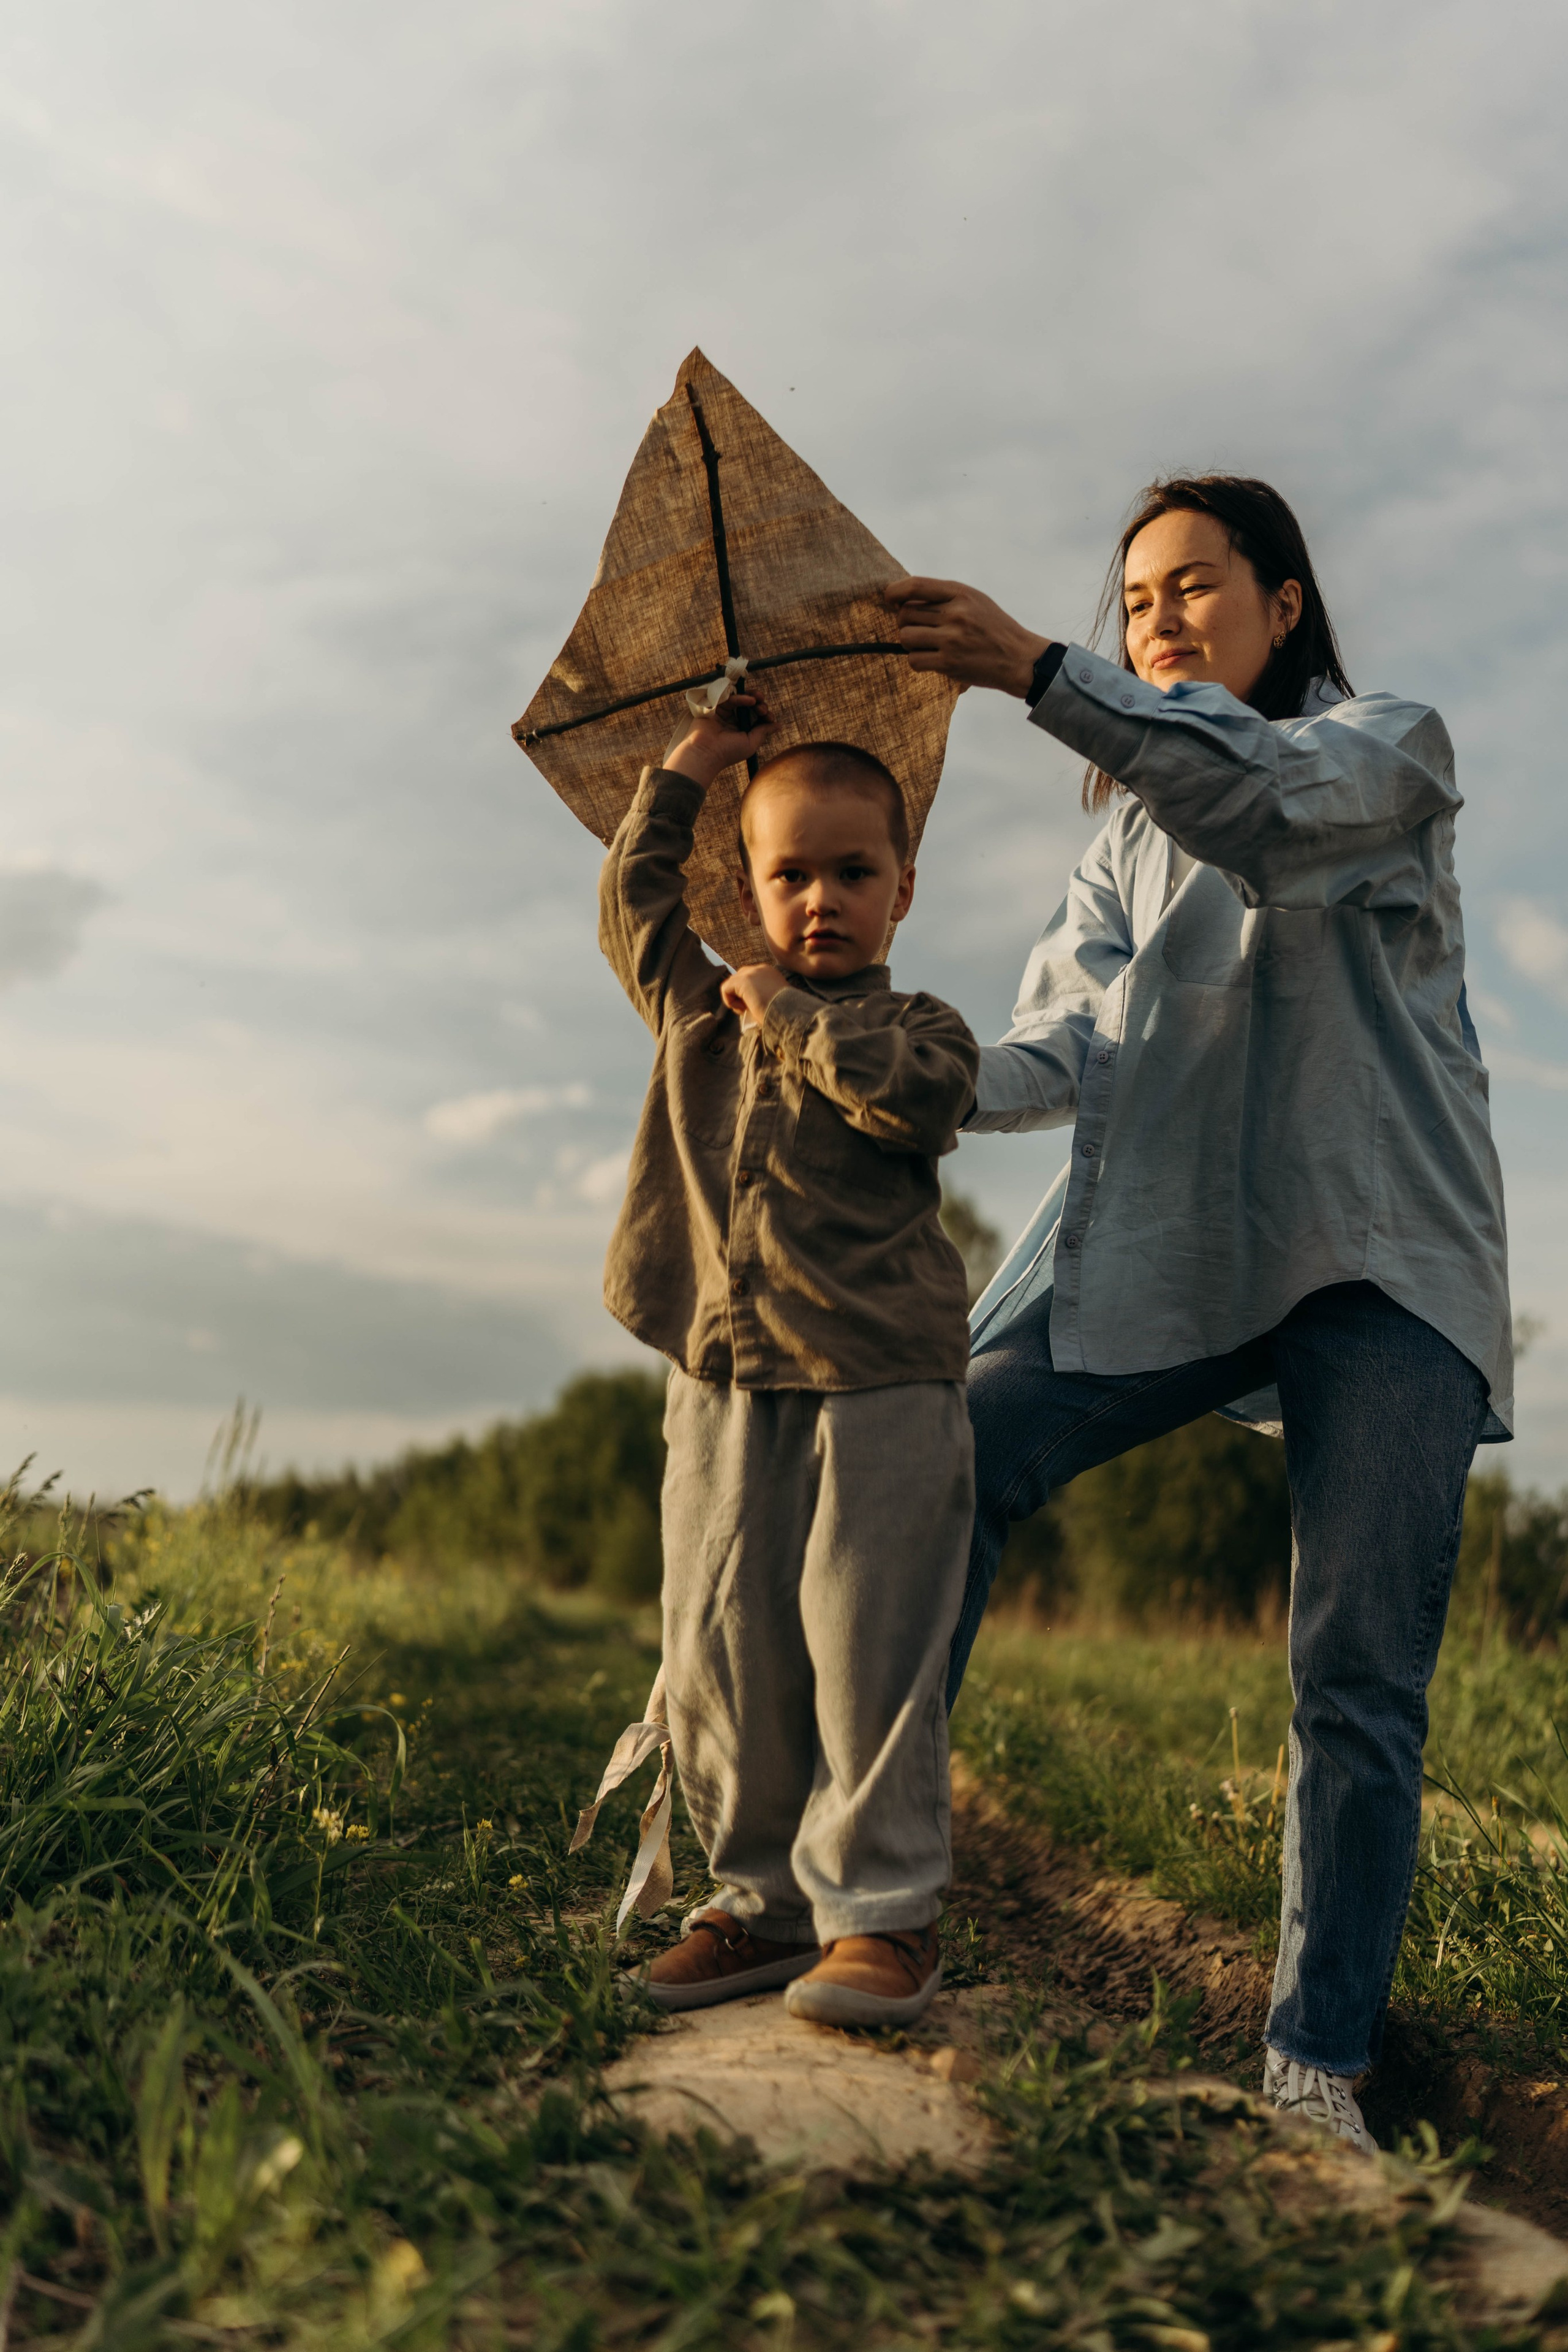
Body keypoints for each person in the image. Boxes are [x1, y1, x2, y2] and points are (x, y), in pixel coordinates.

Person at [884, 475, 1512, 2154]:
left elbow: (1273, 815)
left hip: (1382, 1261)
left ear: (1286, 603)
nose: (1156, 618)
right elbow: (1067, 1055)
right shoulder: (1119, 846)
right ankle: (868, 1889)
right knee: (950, 1452)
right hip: (1185, 1259)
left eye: (1194, 587)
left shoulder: (1388, 748)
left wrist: (1035, 671)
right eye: (1135, 600)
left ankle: (1322, 2059)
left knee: (1354, 1668)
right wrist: (909, 1066)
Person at [596, 692, 979, 2026]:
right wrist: (688, 767)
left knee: (865, 1644)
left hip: (881, 1377)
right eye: (789, 875)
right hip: (720, 1370)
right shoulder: (696, 1008)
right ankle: (757, 1903)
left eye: (853, 874)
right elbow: (631, 906)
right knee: (722, 1646)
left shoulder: (919, 1028)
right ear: (746, 887)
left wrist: (786, 1013)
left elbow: (917, 1104)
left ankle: (880, 1915)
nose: (821, 899)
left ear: (902, 889)